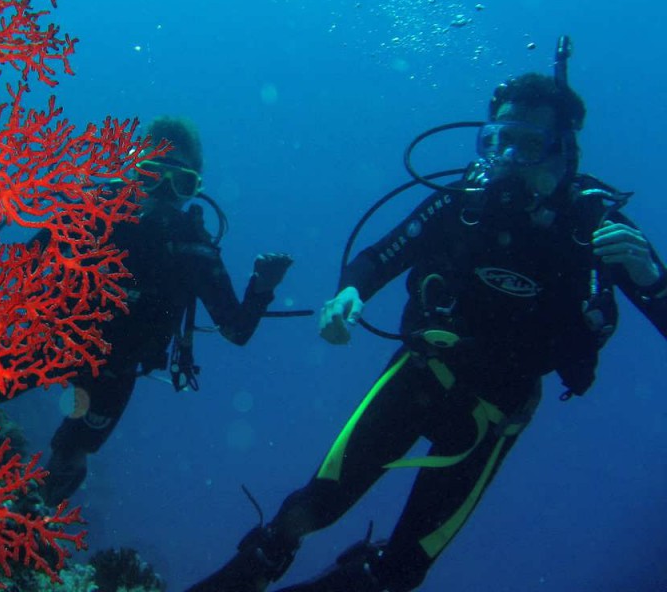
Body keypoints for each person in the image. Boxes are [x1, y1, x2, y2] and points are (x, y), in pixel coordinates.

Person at [185, 58, 667, 592]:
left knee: (402, 570)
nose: (505, 159)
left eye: (526, 146)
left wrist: (653, 279)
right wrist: (350, 292)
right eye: (496, 141)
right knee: (310, 508)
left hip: (493, 415)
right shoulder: (463, 204)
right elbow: (381, 254)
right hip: (420, 374)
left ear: (563, 152)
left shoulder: (593, 228)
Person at [40, 115, 293, 506]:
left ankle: (22, 522)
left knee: (71, 457)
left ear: (194, 189)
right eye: (153, 174)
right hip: (52, 339)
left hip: (116, 369)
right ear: (135, 171)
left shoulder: (195, 250)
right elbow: (22, 263)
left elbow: (236, 331)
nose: (163, 192)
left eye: (181, 183)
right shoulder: (96, 213)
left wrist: (261, 288)